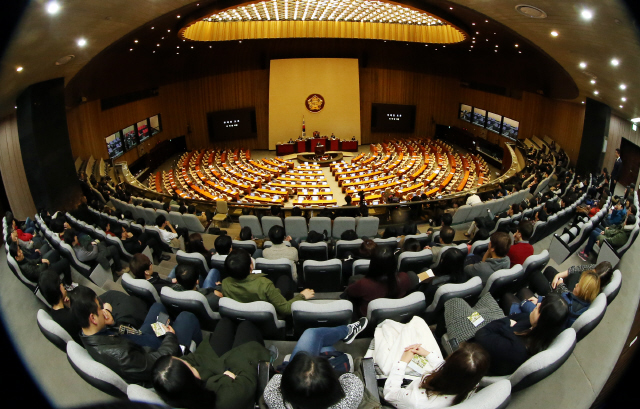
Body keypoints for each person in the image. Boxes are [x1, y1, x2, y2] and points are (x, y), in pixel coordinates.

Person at [71, 286, 202, 386]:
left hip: (139, 338)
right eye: (100, 308)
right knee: (187, 317)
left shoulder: (88, 333)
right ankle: (191, 355)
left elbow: (118, 335)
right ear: (93, 318)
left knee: (157, 307)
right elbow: (156, 363)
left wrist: (112, 323)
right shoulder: (121, 356)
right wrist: (170, 336)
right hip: (157, 353)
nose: (104, 310)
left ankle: (175, 329)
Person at [153, 318, 274, 409]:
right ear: (192, 378)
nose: (186, 361)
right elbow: (248, 378)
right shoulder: (228, 399)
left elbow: (193, 358)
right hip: (242, 371)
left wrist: (225, 371)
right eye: (188, 366)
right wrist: (224, 373)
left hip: (221, 368)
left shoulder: (177, 389)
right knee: (246, 326)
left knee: (225, 322)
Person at [263, 320, 369, 409]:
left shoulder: (273, 399)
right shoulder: (349, 399)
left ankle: (346, 332)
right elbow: (350, 378)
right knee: (321, 343)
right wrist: (326, 372)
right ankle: (347, 331)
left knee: (313, 336)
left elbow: (277, 378)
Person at [473, 293, 569, 376]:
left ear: (543, 320)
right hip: (492, 330)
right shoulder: (534, 325)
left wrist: (506, 323)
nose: (538, 304)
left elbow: (480, 335)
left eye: (541, 307)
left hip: (476, 352)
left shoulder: (516, 349)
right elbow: (511, 317)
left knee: (459, 303)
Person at [383, 342, 490, 408]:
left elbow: (390, 394)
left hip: (403, 395)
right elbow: (454, 373)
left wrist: (403, 361)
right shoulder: (472, 383)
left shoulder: (418, 400)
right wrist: (427, 354)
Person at [221, 249, 314, 317]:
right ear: (251, 267)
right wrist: (302, 296)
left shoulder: (225, 284)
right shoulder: (265, 284)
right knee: (284, 279)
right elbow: (285, 309)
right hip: (267, 318)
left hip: (244, 315)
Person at [503, 269, 600, 328]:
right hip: (545, 318)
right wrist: (539, 300)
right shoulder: (582, 305)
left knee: (507, 296)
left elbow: (542, 317)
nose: (576, 284)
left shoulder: (566, 305)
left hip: (535, 324)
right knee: (524, 291)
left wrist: (525, 303)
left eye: (580, 285)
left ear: (584, 290)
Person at [343, 247, 416, 317]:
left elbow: (349, 292)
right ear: (394, 263)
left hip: (369, 318)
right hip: (395, 315)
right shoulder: (405, 278)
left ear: (372, 264)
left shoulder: (363, 284)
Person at [39, 270, 82, 344]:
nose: (63, 285)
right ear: (58, 290)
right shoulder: (69, 317)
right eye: (60, 283)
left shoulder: (54, 312)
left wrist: (69, 306)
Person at [8, 241, 74, 287]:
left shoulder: (22, 260)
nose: (21, 251)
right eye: (19, 251)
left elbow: (32, 261)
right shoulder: (25, 268)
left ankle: (59, 277)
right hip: (44, 274)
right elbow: (39, 272)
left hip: (41, 267)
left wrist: (40, 260)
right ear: (16, 258)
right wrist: (45, 264)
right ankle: (68, 284)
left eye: (20, 249)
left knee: (56, 252)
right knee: (65, 262)